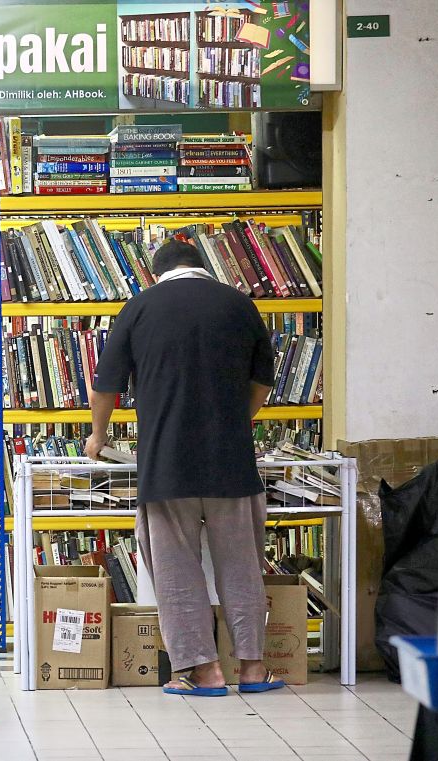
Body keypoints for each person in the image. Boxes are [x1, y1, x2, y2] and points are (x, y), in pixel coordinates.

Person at [85, 240, 284, 697]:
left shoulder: (138, 308)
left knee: (175, 568)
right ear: (202, 267)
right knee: (241, 564)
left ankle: (204, 672)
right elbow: (262, 383)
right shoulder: (240, 305)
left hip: (166, 464)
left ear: (157, 273)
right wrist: (236, 422)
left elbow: (105, 387)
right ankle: (252, 670)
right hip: (232, 462)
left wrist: (98, 436)